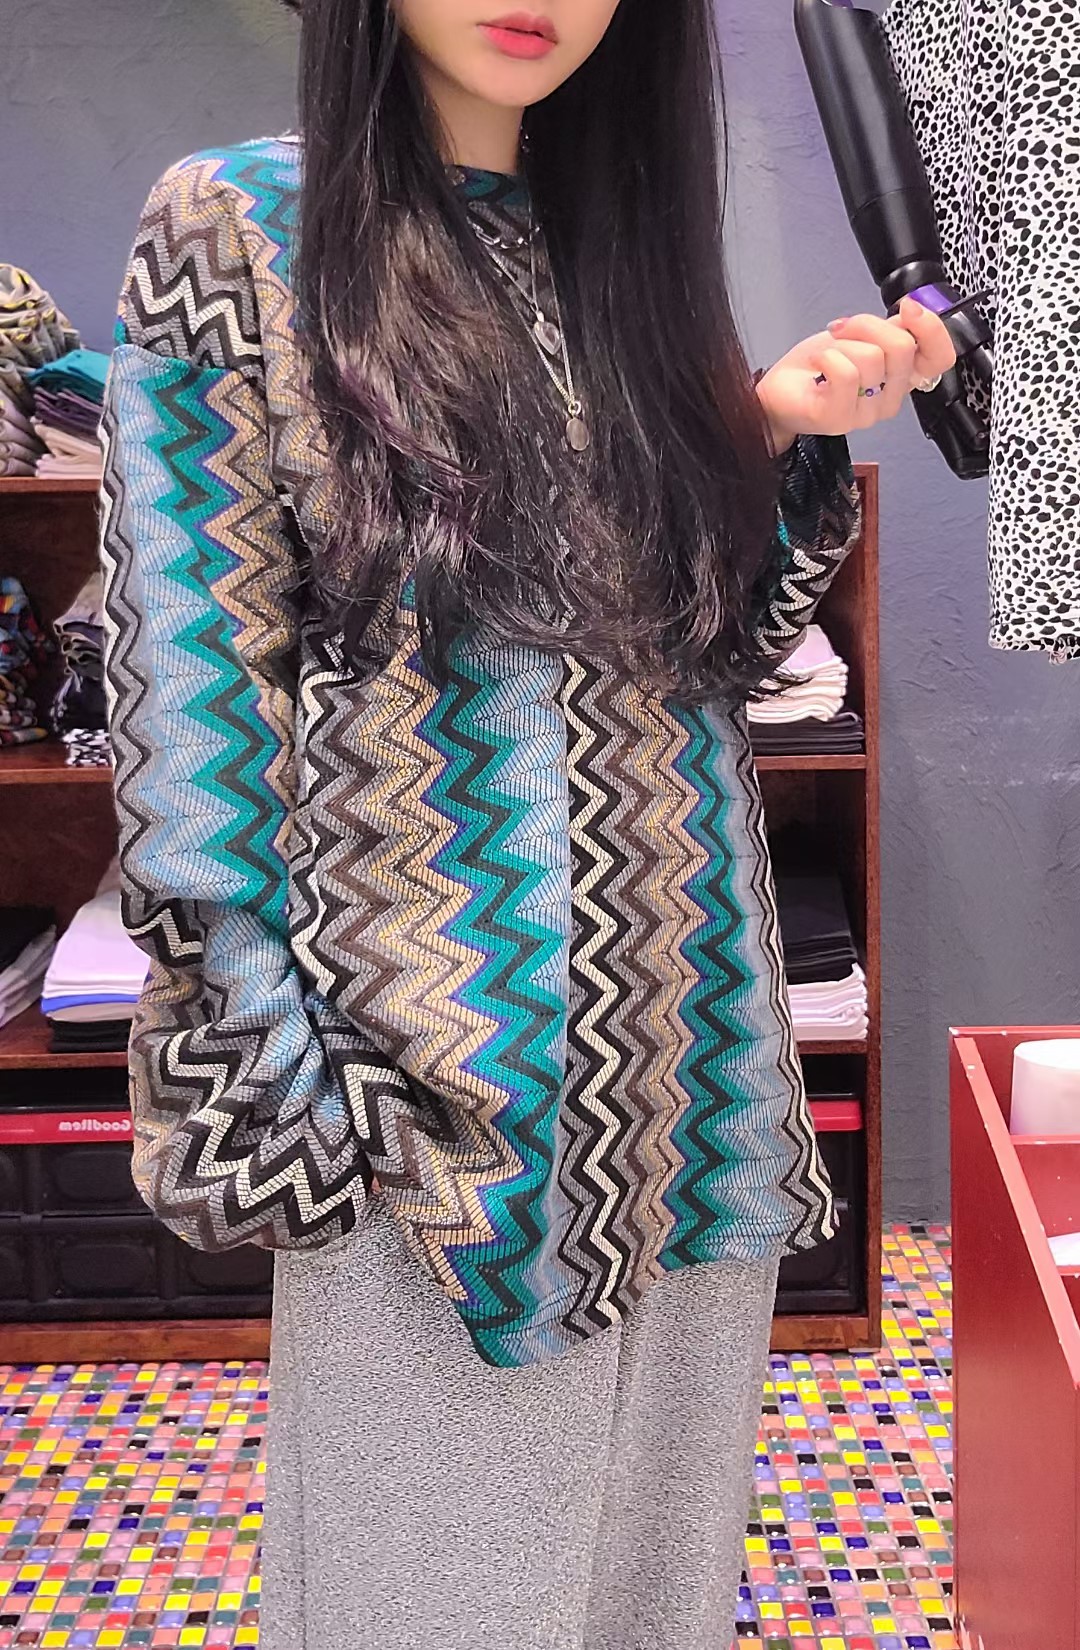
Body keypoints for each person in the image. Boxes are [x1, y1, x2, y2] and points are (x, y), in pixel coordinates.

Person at [99, 2, 956, 1646]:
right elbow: (191, 692)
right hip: (429, 1097)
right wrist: (302, 1078)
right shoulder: (238, 223)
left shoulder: (618, 246)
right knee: (430, 1605)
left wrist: (771, 436)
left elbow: (705, 657)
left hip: (690, 1066)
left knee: (649, 1596)